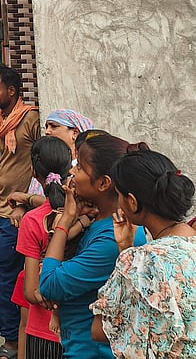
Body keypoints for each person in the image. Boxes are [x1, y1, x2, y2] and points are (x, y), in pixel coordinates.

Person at [39, 131, 147, 359]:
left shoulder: (114, 238)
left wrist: (65, 222)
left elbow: (48, 284)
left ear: (103, 183)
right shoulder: (96, 220)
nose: (71, 172)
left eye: (79, 168)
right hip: (80, 344)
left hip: (94, 351)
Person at [91, 150, 196, 357]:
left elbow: (101, 329)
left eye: (119, 195)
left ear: (132, 201)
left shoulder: (141, 259)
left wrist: (127, 252)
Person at [0, 65, 39, 359]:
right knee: (16, 275)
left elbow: (41, 165)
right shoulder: (2, 118)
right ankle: (21, 337)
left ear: (12, 91)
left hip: (20, 212)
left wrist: (25, 202)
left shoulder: (30, 118)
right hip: (4, 209)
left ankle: (12, 341)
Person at [10, 137, 73, 359]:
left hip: (43, 333)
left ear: (33, 171)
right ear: (71, 169)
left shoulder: (33, 221)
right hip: (80, 330)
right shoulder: (85, 215)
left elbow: (30, 292)